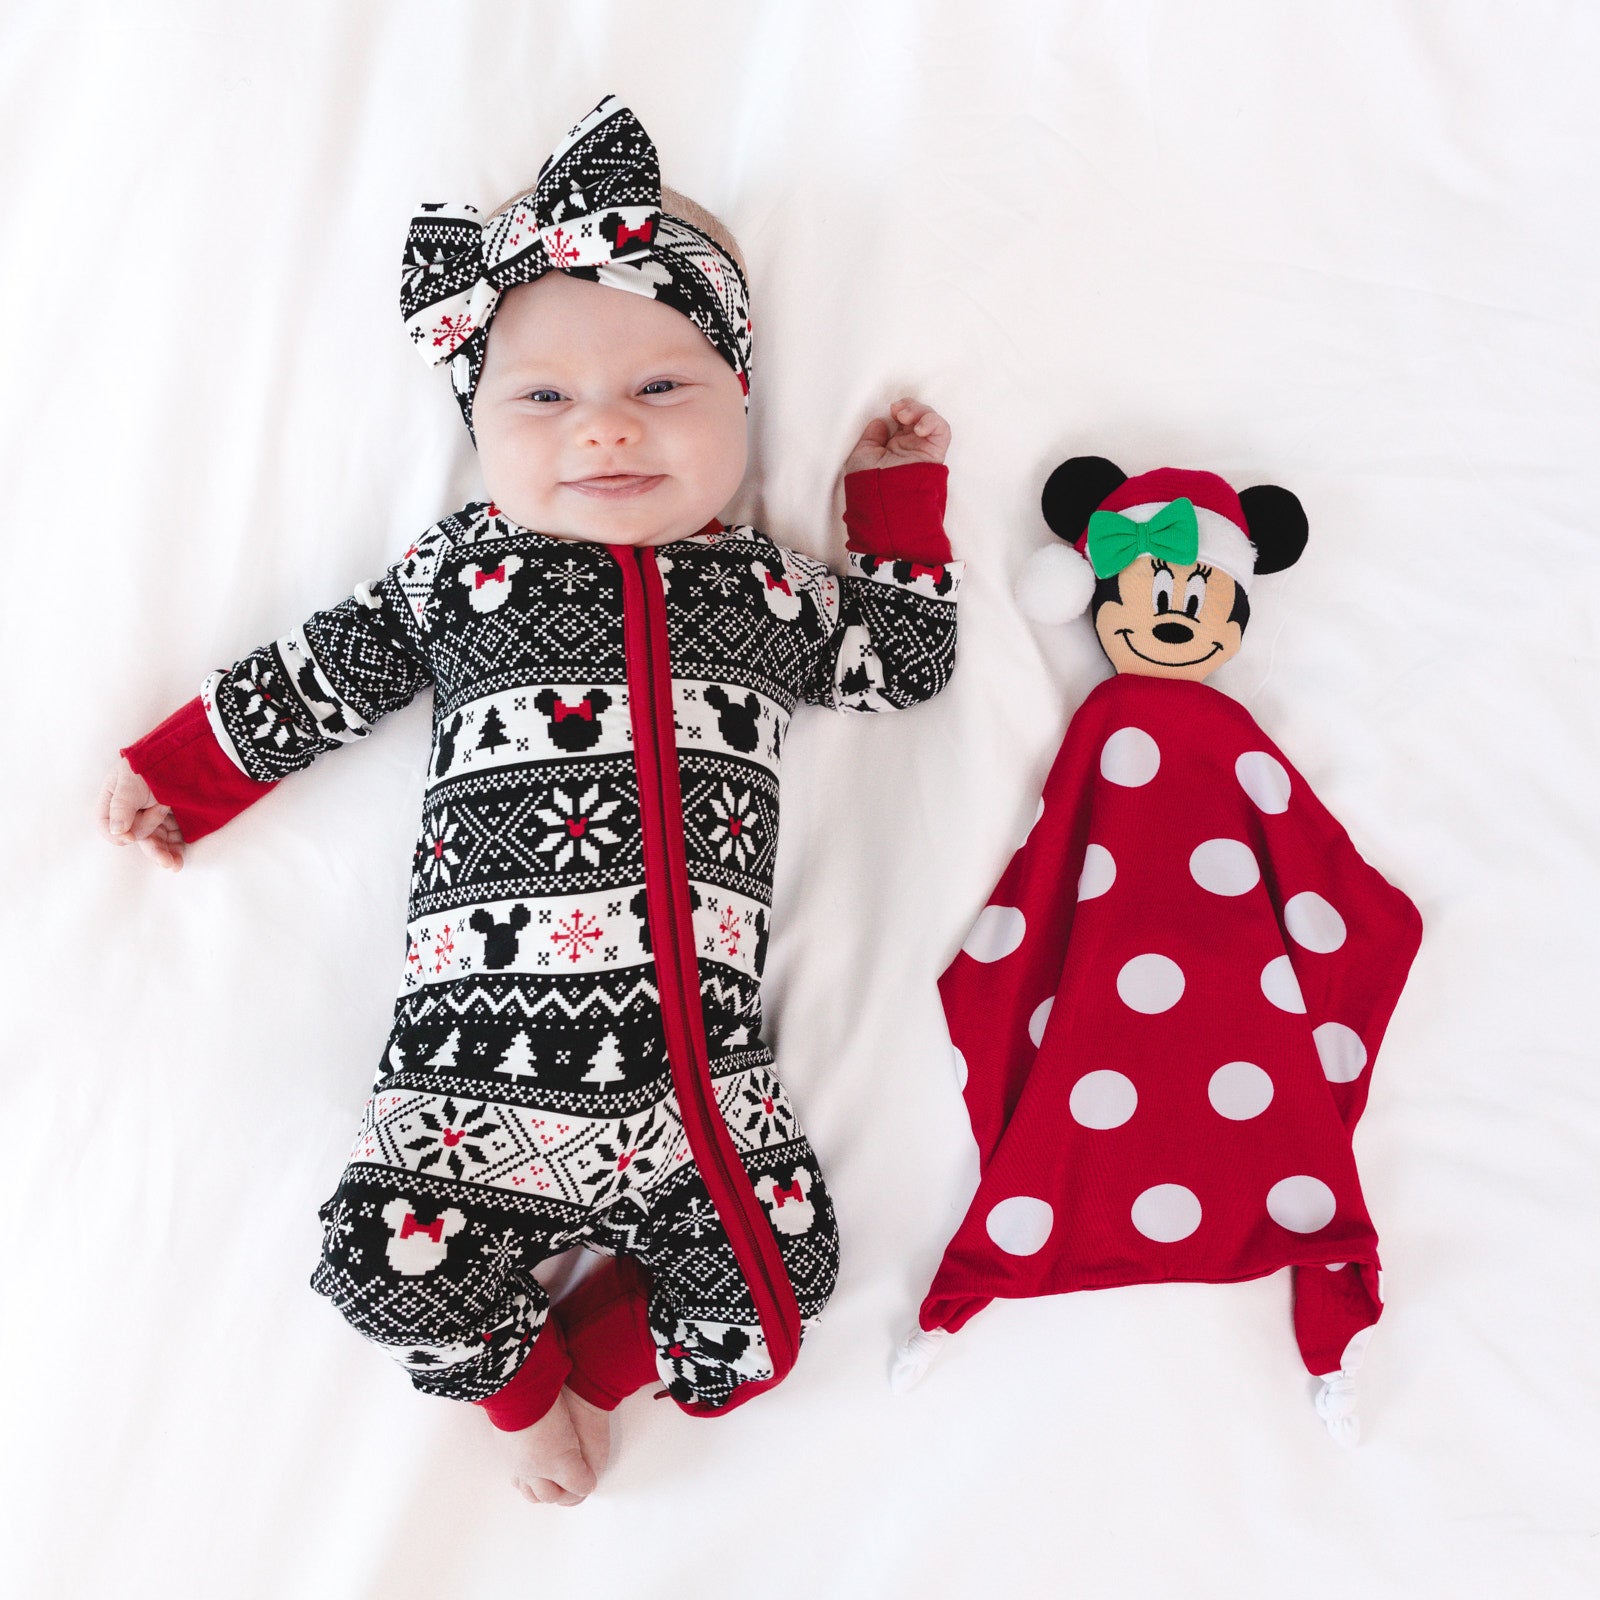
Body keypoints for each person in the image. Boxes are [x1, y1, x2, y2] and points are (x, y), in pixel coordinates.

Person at [97, 97, 961, 1504]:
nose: (605, 431)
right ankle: (516, 1391)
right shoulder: (464, 575)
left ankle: (580, 1364)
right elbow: (327, 670)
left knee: (774, 1305)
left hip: (703, 1091)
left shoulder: (768, 591)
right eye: (544, 399)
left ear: (741, 404)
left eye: (663, 390)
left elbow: (903, 667)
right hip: (469, 1091)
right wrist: (184, 772)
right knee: (384, 1267)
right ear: (481, 426)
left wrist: (897, 509)